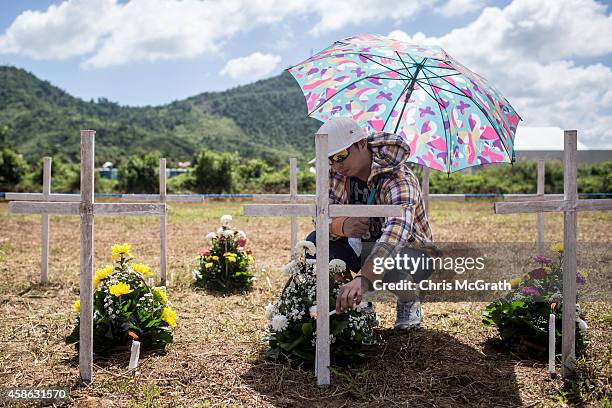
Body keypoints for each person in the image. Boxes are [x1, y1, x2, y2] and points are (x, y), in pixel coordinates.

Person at [305, 116, 433, 330]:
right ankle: (356, 303)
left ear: (362, 144)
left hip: (408, 251)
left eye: (340, 156)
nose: (337, 165)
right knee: (315, 241)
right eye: (330, 159)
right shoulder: (337, 175)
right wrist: (342, 225)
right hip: (361, 247)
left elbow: (396, 233)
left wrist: (364, 278)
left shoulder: (399, 178)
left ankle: (408, 298)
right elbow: (319, 216)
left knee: (396, 263)